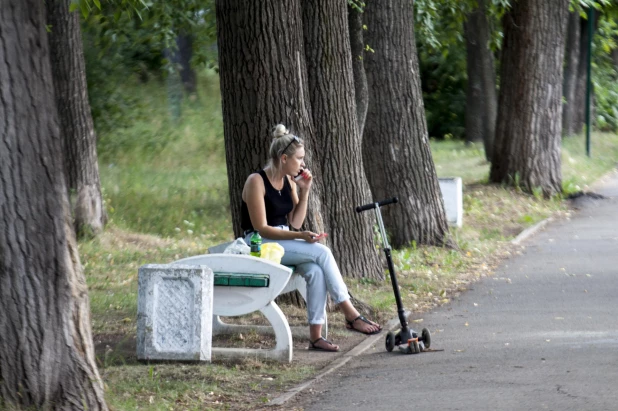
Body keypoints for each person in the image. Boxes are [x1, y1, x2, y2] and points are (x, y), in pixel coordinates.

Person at [241, 124, 382, 352]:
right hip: (258, 245)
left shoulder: (289, 182)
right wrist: (300, 236)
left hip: (282, 243)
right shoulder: (256, 181)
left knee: (315, 271)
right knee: (323, 252)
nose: (303, 164)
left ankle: (316, 337)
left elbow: (295, 222)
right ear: (283, 158)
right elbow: (262, 228)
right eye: (299, 159)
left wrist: (305, 190)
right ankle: (350, 313)